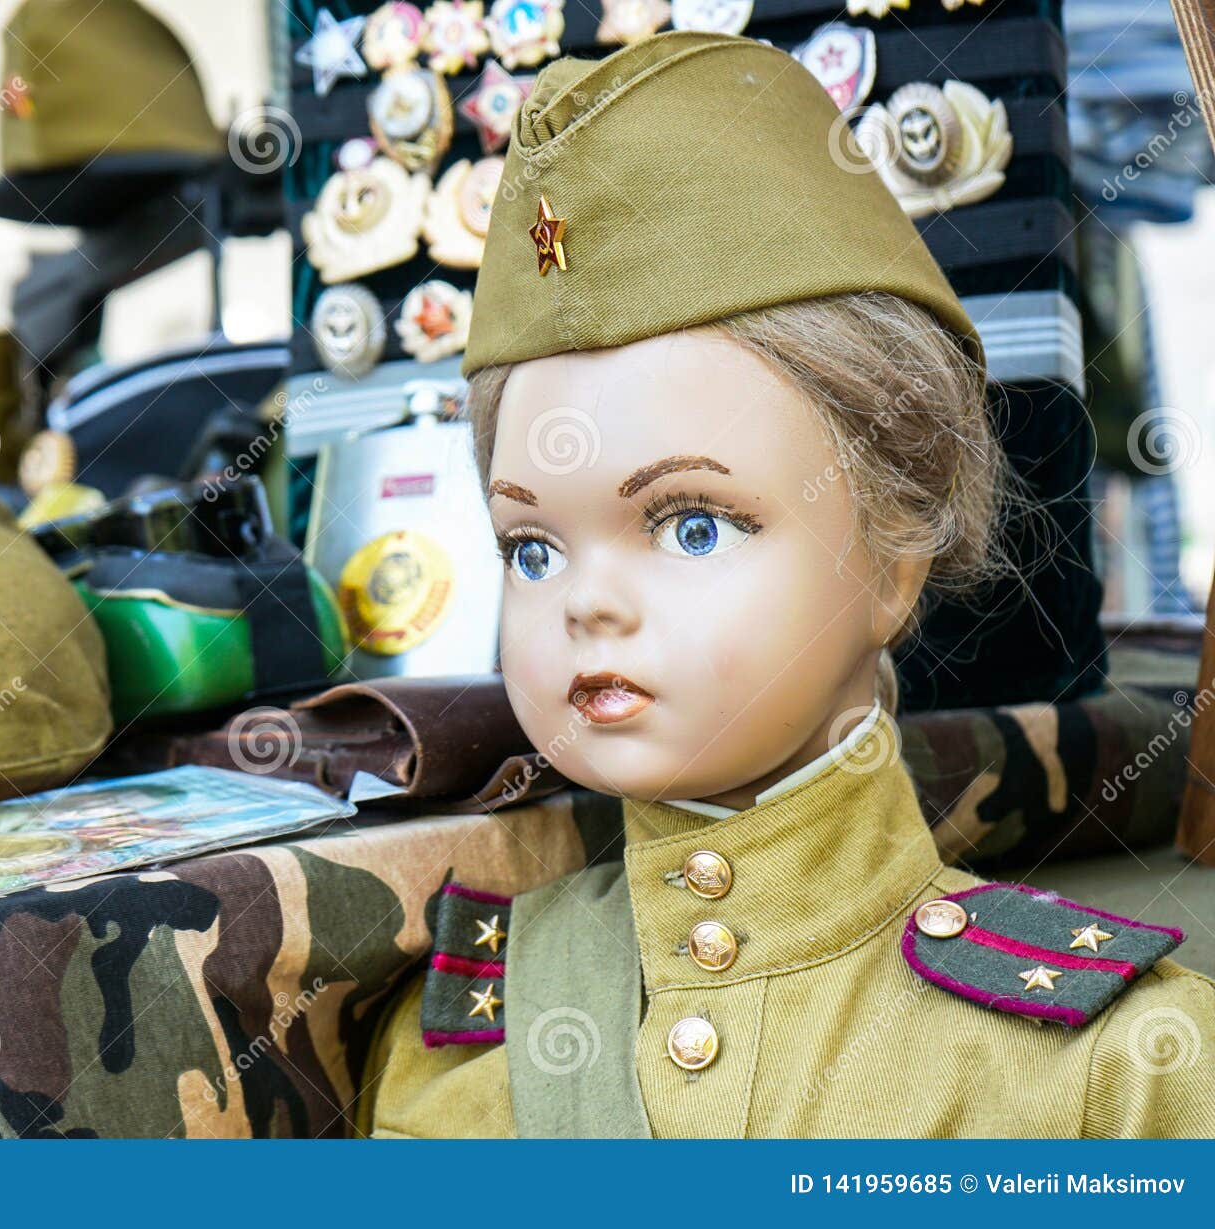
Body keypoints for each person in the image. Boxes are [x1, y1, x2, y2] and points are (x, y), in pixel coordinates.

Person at [355, 31, 1215, 1139]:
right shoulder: (462, 1044)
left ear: (897, 552)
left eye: (693, 524)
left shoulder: (1114, 1074)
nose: (585, 602)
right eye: (532, 546)